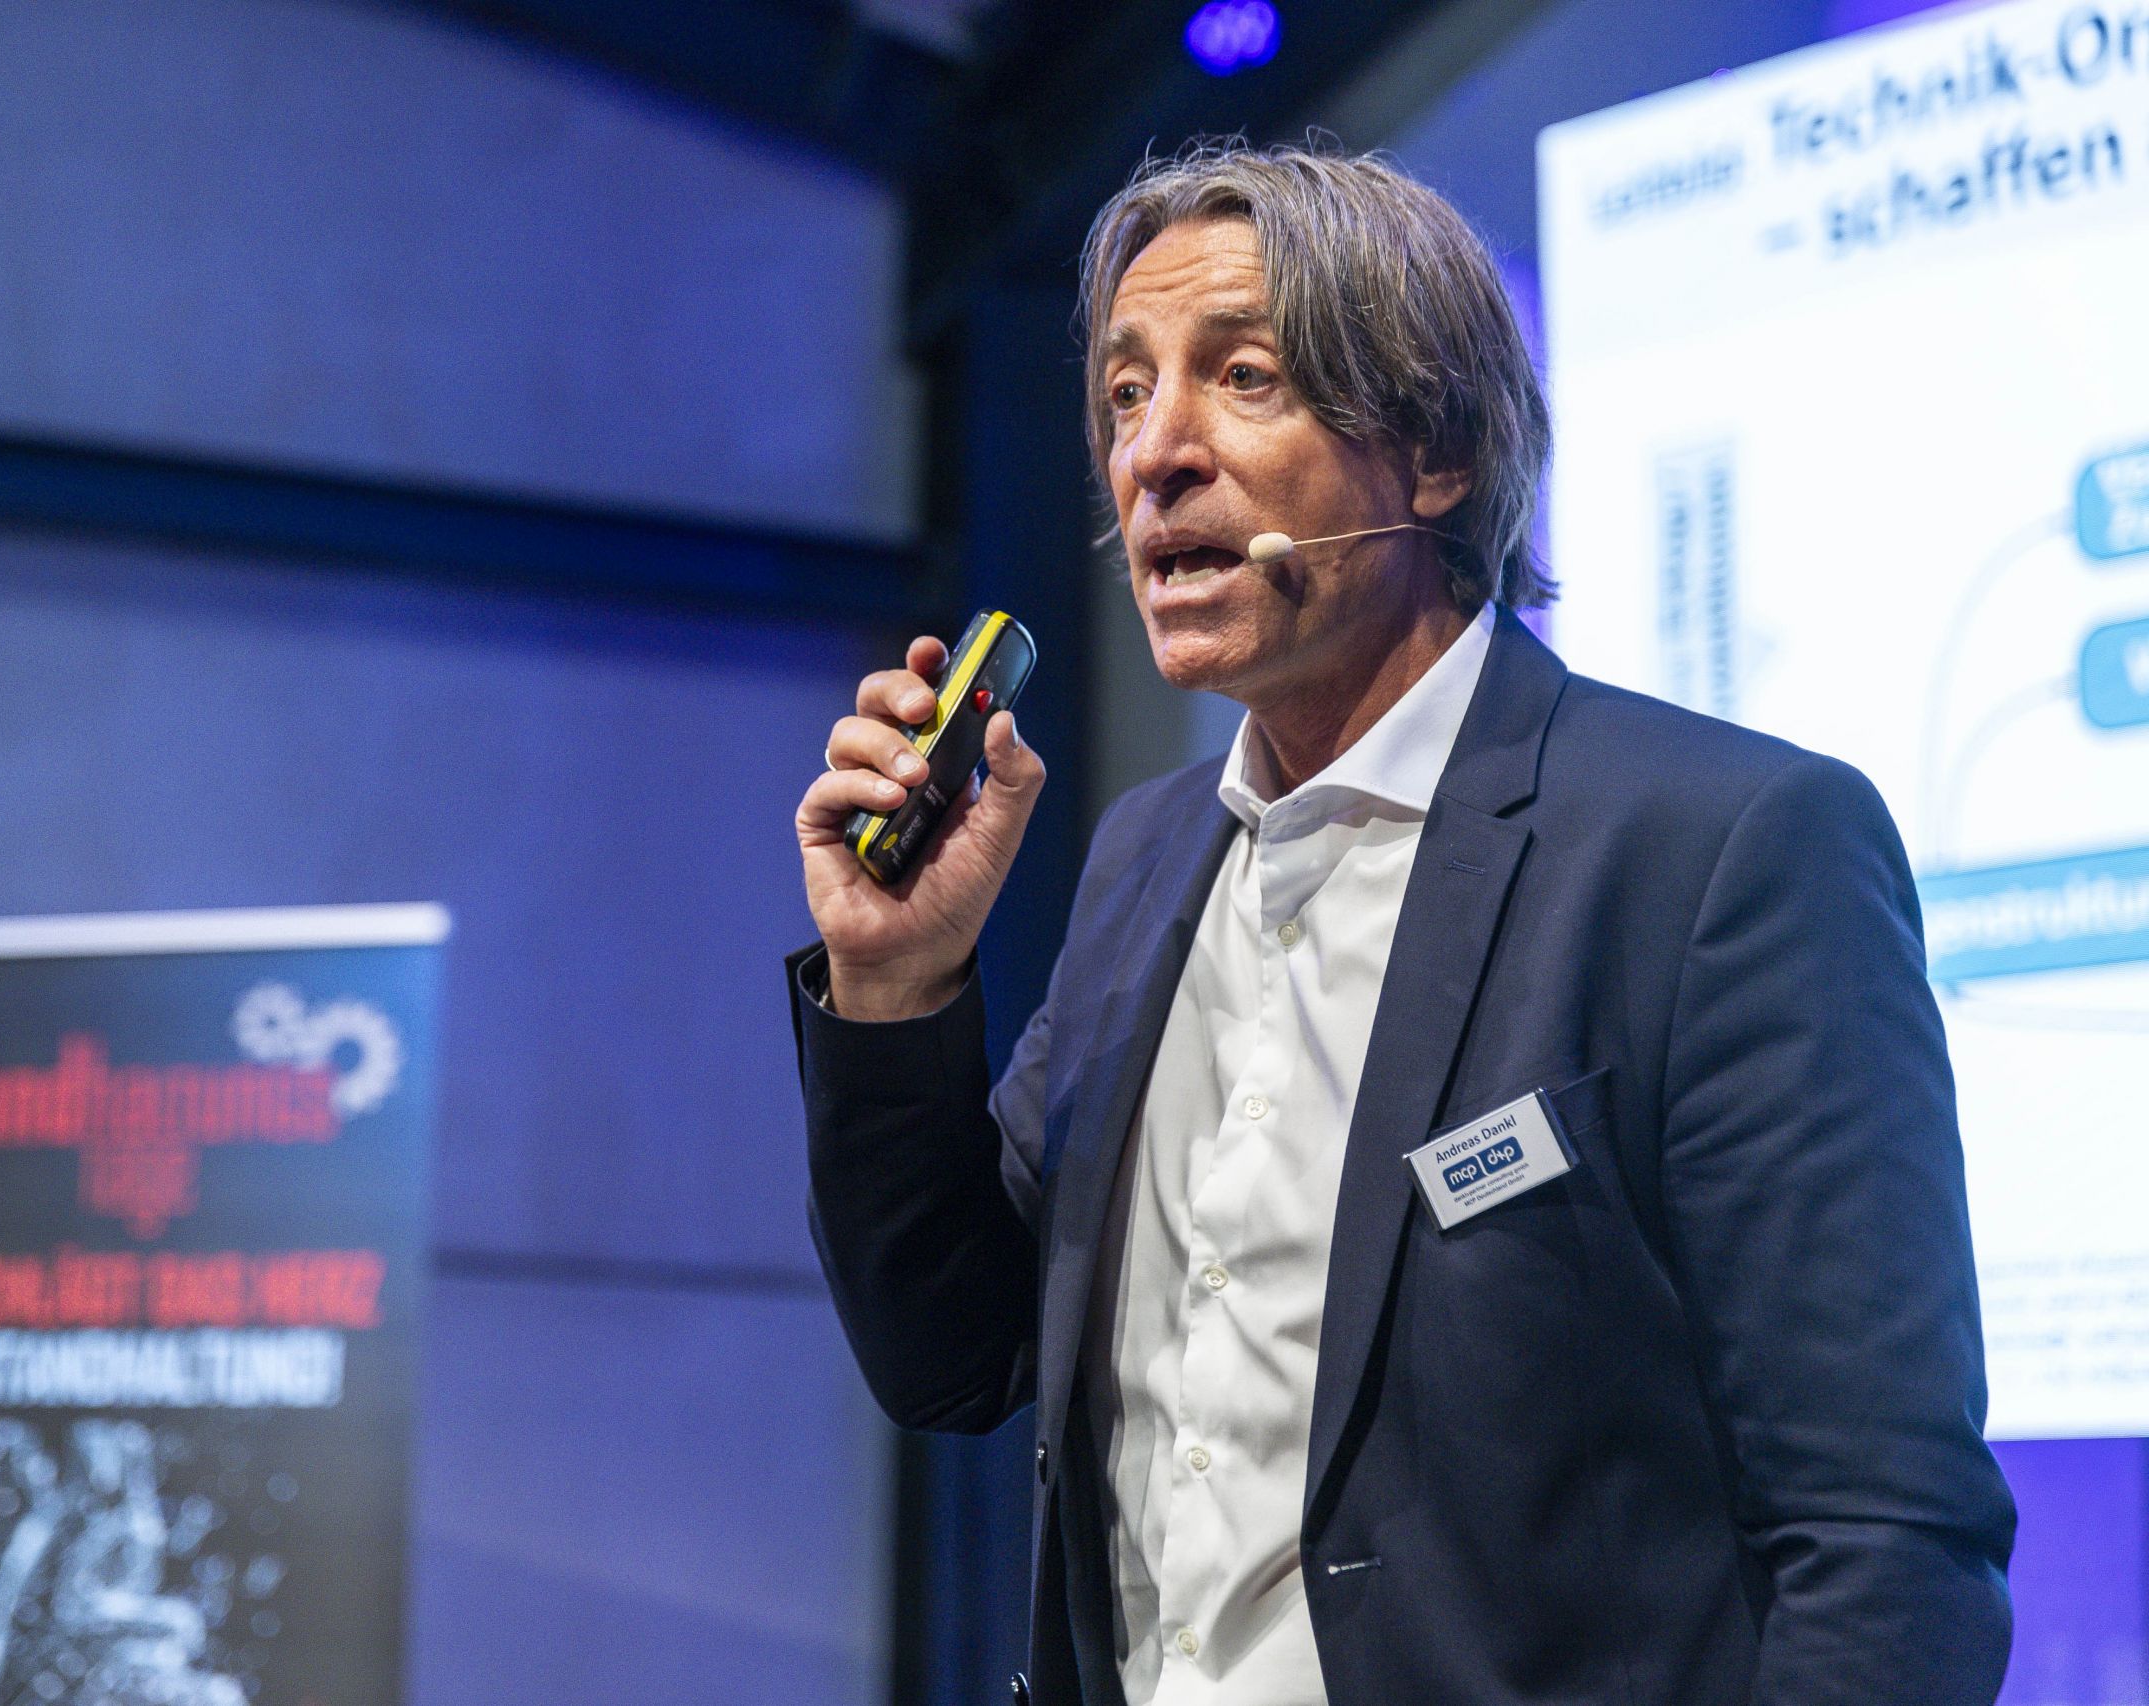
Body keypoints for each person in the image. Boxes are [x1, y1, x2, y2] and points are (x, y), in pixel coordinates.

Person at [787, 140, 2014, 1705]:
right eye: (1124, 393)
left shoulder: (1724, 850)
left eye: (1242, 377)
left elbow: (1886, 1542)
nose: (1154, 453)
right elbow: (950, 1354)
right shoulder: (1143, 860)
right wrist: (896, 981)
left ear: (1435, 451)